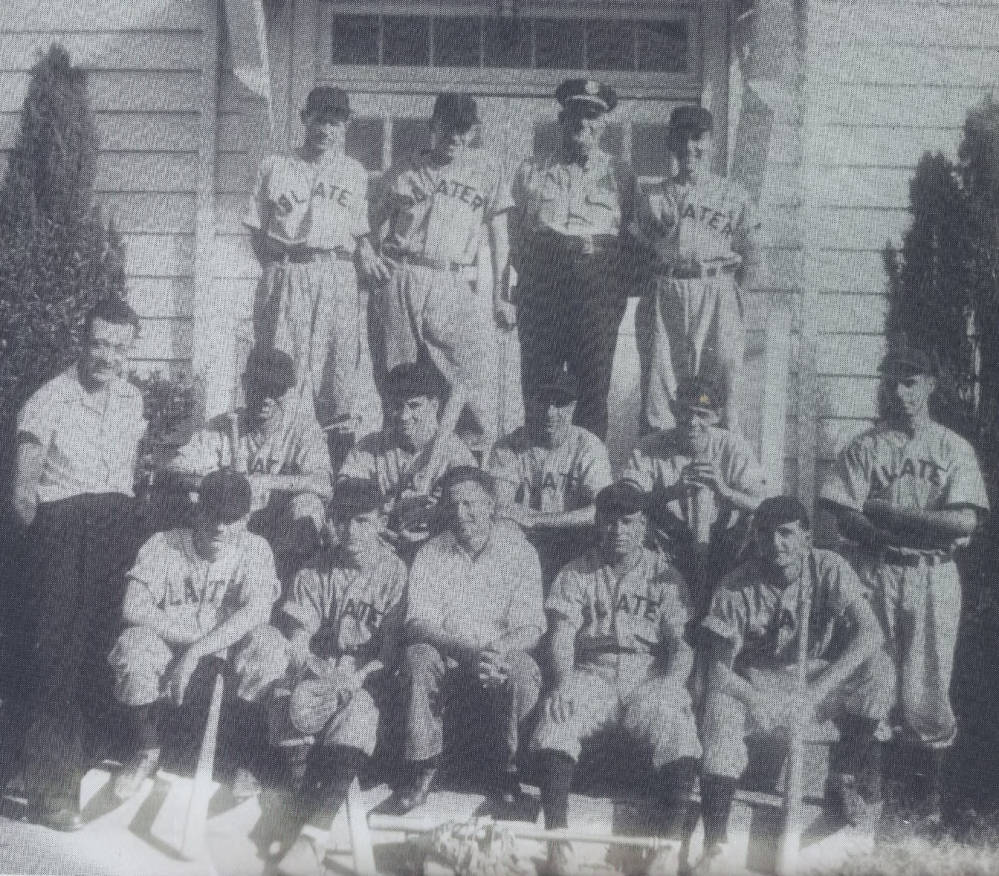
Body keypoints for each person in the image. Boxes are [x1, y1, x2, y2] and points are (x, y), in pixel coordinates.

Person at [820, 348, 989, 821]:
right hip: (876, 570)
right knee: (870, 672)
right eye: (893, 380)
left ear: (931, 385)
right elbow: (844, 512)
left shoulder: (953, 448)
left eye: (911, 381)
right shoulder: (866, 446)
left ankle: (923, 802)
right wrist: (887, 532)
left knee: (928, 683)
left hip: (933, 575)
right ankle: (861, 790)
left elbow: (962, 522)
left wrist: (892, 513)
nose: (900, 391)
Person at [694, 496, 894, 875]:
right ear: (755, 539)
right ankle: (715, 843)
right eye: (766, 536)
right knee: (720, 713)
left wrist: (815, 694)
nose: (777, 545)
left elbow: (871, 634)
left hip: (814, 681)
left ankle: (843, 776)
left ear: (806, 537)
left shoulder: (828, 567)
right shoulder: (736, 587)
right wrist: (756, 702)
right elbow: (718, 672)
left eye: (786, 535)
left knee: (879, 671)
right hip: (757, 686)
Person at [12, 297, 147, 830]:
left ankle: (75, 766)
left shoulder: (133, 400)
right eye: (98, 344)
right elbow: (23, 492)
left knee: (100, 652)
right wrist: (46, 552)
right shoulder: (47, 401)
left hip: (115, 531)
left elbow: (126, 474)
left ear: (131, 351)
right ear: (82, 343)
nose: (107, 356)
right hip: (63, 533)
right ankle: (50, 795)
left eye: (118, 347)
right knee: (57, 662)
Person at [530, 481, 702, 876]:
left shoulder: (665, 575)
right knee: (557, 719)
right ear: (598, 524)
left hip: (648, 673)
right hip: (595, 672)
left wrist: (673, 683)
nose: (618, 531)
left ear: (642, 526)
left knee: (678, 724)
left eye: (628, 522)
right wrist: (562, 682)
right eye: (610, 522)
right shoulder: (575, 573)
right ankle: (558, 841)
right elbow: (561, 636)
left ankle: (668, 846)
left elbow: (681, 645)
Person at [107, 468, 283, 805]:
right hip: (171, 649)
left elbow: (257, 612)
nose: (219, 526)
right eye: (213, 514)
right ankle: (146, 748)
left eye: (231, 518)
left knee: (269, 646)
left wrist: (198, 651)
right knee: (134, 645)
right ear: (197, 510)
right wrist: (189, 644)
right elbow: (133, 606)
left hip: (226, 655)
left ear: (246, 519)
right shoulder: (164, 543)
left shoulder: (256, 549)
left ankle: (244, 759)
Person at [264, 478, 406, 869]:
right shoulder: (314, 572)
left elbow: (389, 655)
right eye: (341, 521)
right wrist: (316, 673)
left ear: (380, 521)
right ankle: (298, 809)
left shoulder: (396, 574)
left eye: (362, 521)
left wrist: (353, 679)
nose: (351, 532)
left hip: (368, 675)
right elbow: (298, 639)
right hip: (321, 670)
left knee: (358, 713)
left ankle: (313, 835)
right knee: (287, 695)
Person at [365, 92, 513, 452]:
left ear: (474, 132)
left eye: (463, 131)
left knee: (468, 379)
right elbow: (365, 224)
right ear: (433, 127)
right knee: (398, 378)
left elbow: (500, 238)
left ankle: (465, 466)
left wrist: (501, 297)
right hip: (402, 275)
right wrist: (369, 253)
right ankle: (396, 463)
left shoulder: (487, 170)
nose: (455, 138)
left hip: (453, 279)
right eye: (447, 129)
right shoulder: (404, 168)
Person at [394, 466, 544, 813]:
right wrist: (468, 651)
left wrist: (496, 652)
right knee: (418, 657)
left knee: (524, 670)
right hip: (451, 656)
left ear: (491, 504)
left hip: (499, 658)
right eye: (453, 505)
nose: (462, 514)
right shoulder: (432, 552)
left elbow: (532, 627)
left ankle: (507, 773)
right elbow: (418, 623)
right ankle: (424, 768)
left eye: (471, 504)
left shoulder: (520, 553)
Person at [245, 85, 381, 435]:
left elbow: (359, 232)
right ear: (305, 119)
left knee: (334, 369)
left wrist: (365, 255)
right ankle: (279, 446)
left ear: (346, 125)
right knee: (282, 362)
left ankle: (330, 460)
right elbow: (257, 232)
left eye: (334, 123)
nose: (325, 130)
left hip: (336, 274)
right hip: (289, 269)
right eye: (319, 121)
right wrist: (279, 269)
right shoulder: (275, 166)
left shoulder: (353, 172)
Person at [511, 77, 636, 441]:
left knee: (593, 383)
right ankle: (533, 473)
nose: (585, 123)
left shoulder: (620, 174)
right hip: (543, 280)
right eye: (577, 114)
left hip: (596, 280)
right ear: (562, 118)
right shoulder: (531, 170)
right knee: (538, 381)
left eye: (593, 115)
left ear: (603, 123)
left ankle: (589, 479)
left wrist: (615, 289)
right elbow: (514, 231)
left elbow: (633, 235)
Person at [633, 105, 763, 435]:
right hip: (667, 292)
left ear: (710, 142)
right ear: (670, 143)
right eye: (682, 138)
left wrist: (732, 297)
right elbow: (637, 252)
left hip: (717, 287)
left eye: (698, 138)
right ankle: (656, 474)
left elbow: (753, 254)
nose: (690, 147)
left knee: (722, 381)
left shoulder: (733, 194)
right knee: (660, 385)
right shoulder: (653, 196)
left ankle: (721, 472)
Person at [165, 347, 333, 579]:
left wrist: (268, 482)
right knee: (174, 499)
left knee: (308, 506)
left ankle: (291, 587)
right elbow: (176, 469)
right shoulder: (223, 427)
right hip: (227, 524)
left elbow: (323, 483)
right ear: (245, 383)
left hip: (279, 525)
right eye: (260, 388)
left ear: (288, 392)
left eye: (277, 390)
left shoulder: (302, 429)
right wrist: (221, 484)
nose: (267, 399)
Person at [623, 378, 765, 613]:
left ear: (717, 416)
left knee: (756, 523)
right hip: (666, 548)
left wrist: (725, 491)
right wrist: (671, 492)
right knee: (632, 521)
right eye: (684, 413)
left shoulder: (733, 446)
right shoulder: (649, 446)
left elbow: (763, 505)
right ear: (672, 409)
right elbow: (625, 500)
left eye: (702, 414)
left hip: (725, 548)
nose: (692, 423)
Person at [337, 362, 476, 558]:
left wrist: (433, 514)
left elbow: (472, 510)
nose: (404, 416)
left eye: (414, 406)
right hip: (375, 544)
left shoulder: (456, 453)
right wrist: (378, 523)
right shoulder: (370, 445)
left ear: (434, 406)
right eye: (397, 406)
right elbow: (344, 491)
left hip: (437, 548)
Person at [487, 368, 612, 585]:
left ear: (573, 407)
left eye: (560, 403)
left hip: (572, 543)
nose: (550, 412)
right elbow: (501, 507)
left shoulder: (588, 445)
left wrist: (539, 520)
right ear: (530, 403)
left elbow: (601, 510)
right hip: (523, 544)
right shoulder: (508, 446)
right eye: (543, 401)